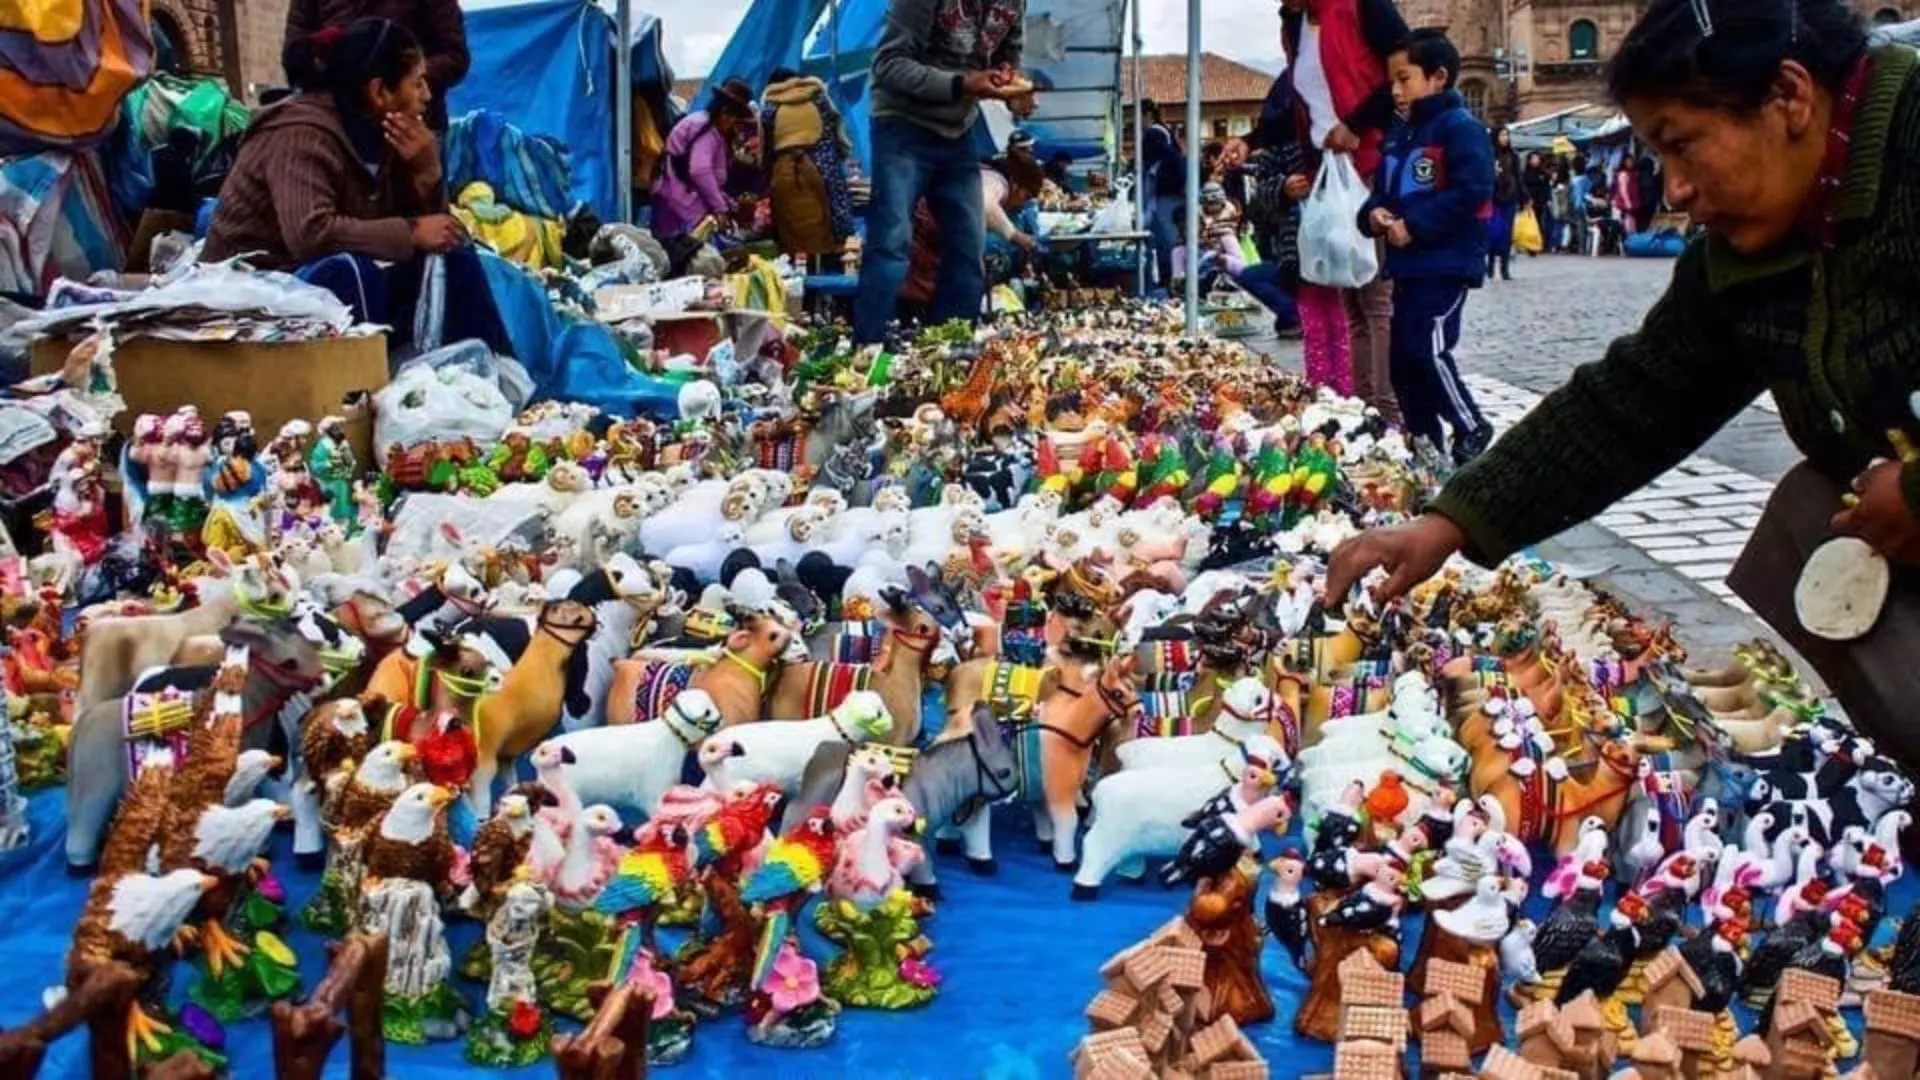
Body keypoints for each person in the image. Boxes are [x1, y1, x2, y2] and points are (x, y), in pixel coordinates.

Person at [1325, 0, 1920, 761]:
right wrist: (1450, 523)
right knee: (1812, 514)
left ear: (1789, 97)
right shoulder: (1760, 240)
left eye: (1681, 146)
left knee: (1821, 505)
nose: (1671, 189)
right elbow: (1639, 397)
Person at [203, 19, 505, 354]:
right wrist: (411, 231)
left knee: (454, 253)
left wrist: (427, 175)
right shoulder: (300, 133)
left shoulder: (387, 135)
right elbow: (311, 234)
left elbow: (433, 231)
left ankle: (488, 374)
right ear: (379, 92)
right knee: (350, 271)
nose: (427, 96)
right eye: (417, 83)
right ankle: (360, 389)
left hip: (308, 284)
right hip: (251, 293)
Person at [1358, 28, 1496, 467]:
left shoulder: (1460, 128)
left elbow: (1472, 190)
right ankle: (1424, 442)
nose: (1396, 91)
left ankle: (1471, 424)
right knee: (1401, 360)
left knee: (1426, 348)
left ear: (1437, 77)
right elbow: (1381, 195)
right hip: (1408, 266)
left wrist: (1414, 226)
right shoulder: (1400, 136)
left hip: (1448, 262)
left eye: (1405, 79)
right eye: (1392, 82)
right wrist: (1373, 216)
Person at [853, 0, 1027, 344]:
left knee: (967, 247)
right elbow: (889, 64)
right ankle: (868, 352)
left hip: (957, 131)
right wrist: (963, 85)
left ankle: (948, 350)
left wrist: (1012, 83)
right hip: (902, 125)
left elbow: (1010, 51)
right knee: (891, 243)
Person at [1279, 0, 1411, 425]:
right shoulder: (1296, 24)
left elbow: (1403, 71)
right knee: (1350, 297)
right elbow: (1300, 102)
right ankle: (1364, 408)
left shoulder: (1362, 6)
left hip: (1371, 160)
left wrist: (1357, 124)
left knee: (1374, 296)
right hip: (1330, 169)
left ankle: (1390, 414)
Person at [283, 0, 469, 132]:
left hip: (410, 130)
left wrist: (401, 80)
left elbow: (454, 56)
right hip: (336, 128)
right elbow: (296, 55)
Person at [761, 68, 856, 261]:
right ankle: (837, 257)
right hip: (823, 167)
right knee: (834, 209)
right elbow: (836, 132)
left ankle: (798, 265)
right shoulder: (819, 98)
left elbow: (766, 147)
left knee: (790, 222)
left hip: (784, 171)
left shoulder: (770, 107)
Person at [653, 78, 757, 241]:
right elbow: (700, 171)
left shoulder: (706, 125)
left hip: (678, 196)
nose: (732, 123)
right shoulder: (706, 130)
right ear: (723, 112)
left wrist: (728, 203)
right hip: (680, 201)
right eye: (731, 116)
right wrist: (720, 208)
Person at [1139, 99, 1187, 291]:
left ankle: (1170, 281)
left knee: (1168, 239)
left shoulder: (1154, 133)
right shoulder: (1165, 132)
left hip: (1167, 193)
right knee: (1167, 237)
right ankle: (1170, 278)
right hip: (1171, 192)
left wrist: (1178, 181)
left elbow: (1172, 158)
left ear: (1147, 115)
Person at [1487, 125, 1523, 279]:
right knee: (1493, 233)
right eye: (1502, 135)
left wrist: (1524, 197)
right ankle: (1489, 267)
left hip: (1509, 197)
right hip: (1493, 198)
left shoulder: (1513, 156)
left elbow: (1518, 177)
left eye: (1507, 135)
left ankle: (1504, 268)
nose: (1505, 138)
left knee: (1507, 235)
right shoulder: (1489, 155)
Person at [1522, 151, 1554, 255]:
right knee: (1527, 223)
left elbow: (1546, 188)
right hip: (1528, 202)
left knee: (1539, 223)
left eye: (1537, 159)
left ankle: (1538, 244)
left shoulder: (1543, 174)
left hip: (1540, 202)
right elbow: (1522, 187)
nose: (1535, 161)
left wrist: (1548, 199)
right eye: (1533, 159)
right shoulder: (1525, 174)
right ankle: (1527, 244)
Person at [1567, 154, 1593, 254]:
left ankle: (1576, 246)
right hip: (1582, 206)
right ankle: (1582, 248)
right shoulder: (1585, 179)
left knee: (1575, 227)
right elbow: (1585, 193)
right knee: (1582, 227)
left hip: (1573, 205)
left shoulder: (1573, 179)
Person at [1611, 159, 1641, 234]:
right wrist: (1628, 203)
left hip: (1631, 202)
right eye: (1628, 161)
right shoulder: (1623, 174)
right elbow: (1623, 190)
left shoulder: (1632, 174)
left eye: (1631, 161)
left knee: (1632, 221)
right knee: (1627, 221)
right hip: (1624, 203)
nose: (1631, 163)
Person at [1549, 161, 1573, 252]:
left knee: (1556, 227)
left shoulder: (1556, 182)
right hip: (1563, 208)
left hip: (1556, 208)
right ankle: (1559, 245)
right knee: (1561, 227)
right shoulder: (1566, 183)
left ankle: (1554, 245)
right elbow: (1566, 197)